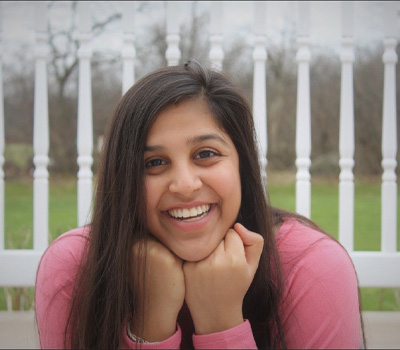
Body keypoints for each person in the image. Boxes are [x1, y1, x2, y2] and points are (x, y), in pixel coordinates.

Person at [35, 60, 365, 349]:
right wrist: (150, 325)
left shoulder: (311, 266)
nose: (185, 185)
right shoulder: (73, 267)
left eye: (205, 154)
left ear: (241, 164)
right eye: (154, 163)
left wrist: (221, 322)